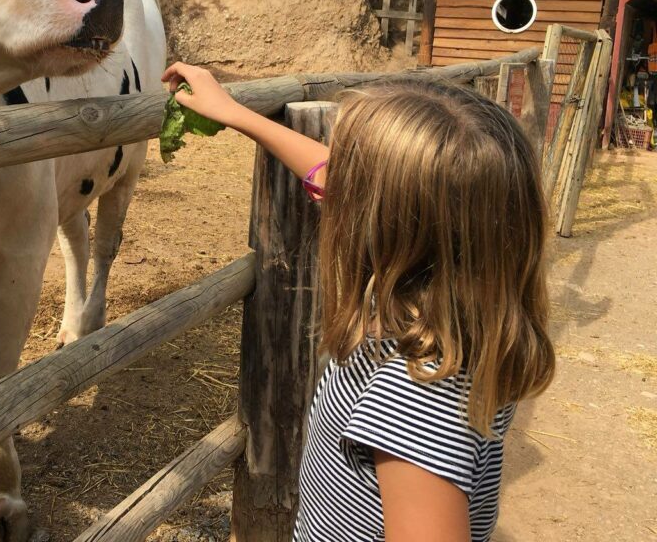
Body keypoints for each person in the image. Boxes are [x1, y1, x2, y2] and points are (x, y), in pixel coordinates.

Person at [161, 63, 556, 542]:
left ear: (380, 222)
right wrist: (236, 114)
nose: (330, 189)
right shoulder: (461, 317)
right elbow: (331, 173)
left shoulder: (416, 390)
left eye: (347, 184)